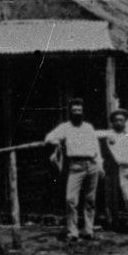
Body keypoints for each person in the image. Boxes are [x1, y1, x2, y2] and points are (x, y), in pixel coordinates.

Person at [43, 99, 105, 242]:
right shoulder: (65, 127)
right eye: (74, 110)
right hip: (75, 166)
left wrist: (100, 165)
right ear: (70, 112)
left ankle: (89, 230)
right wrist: (57, 141)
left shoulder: (88, 127)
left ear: (83, 112)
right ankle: (73, 232)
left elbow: (97, 148)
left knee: (90, 200)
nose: (77, 113)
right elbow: (49, 138)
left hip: (91, 164)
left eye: (79, 110)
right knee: (71, 199)